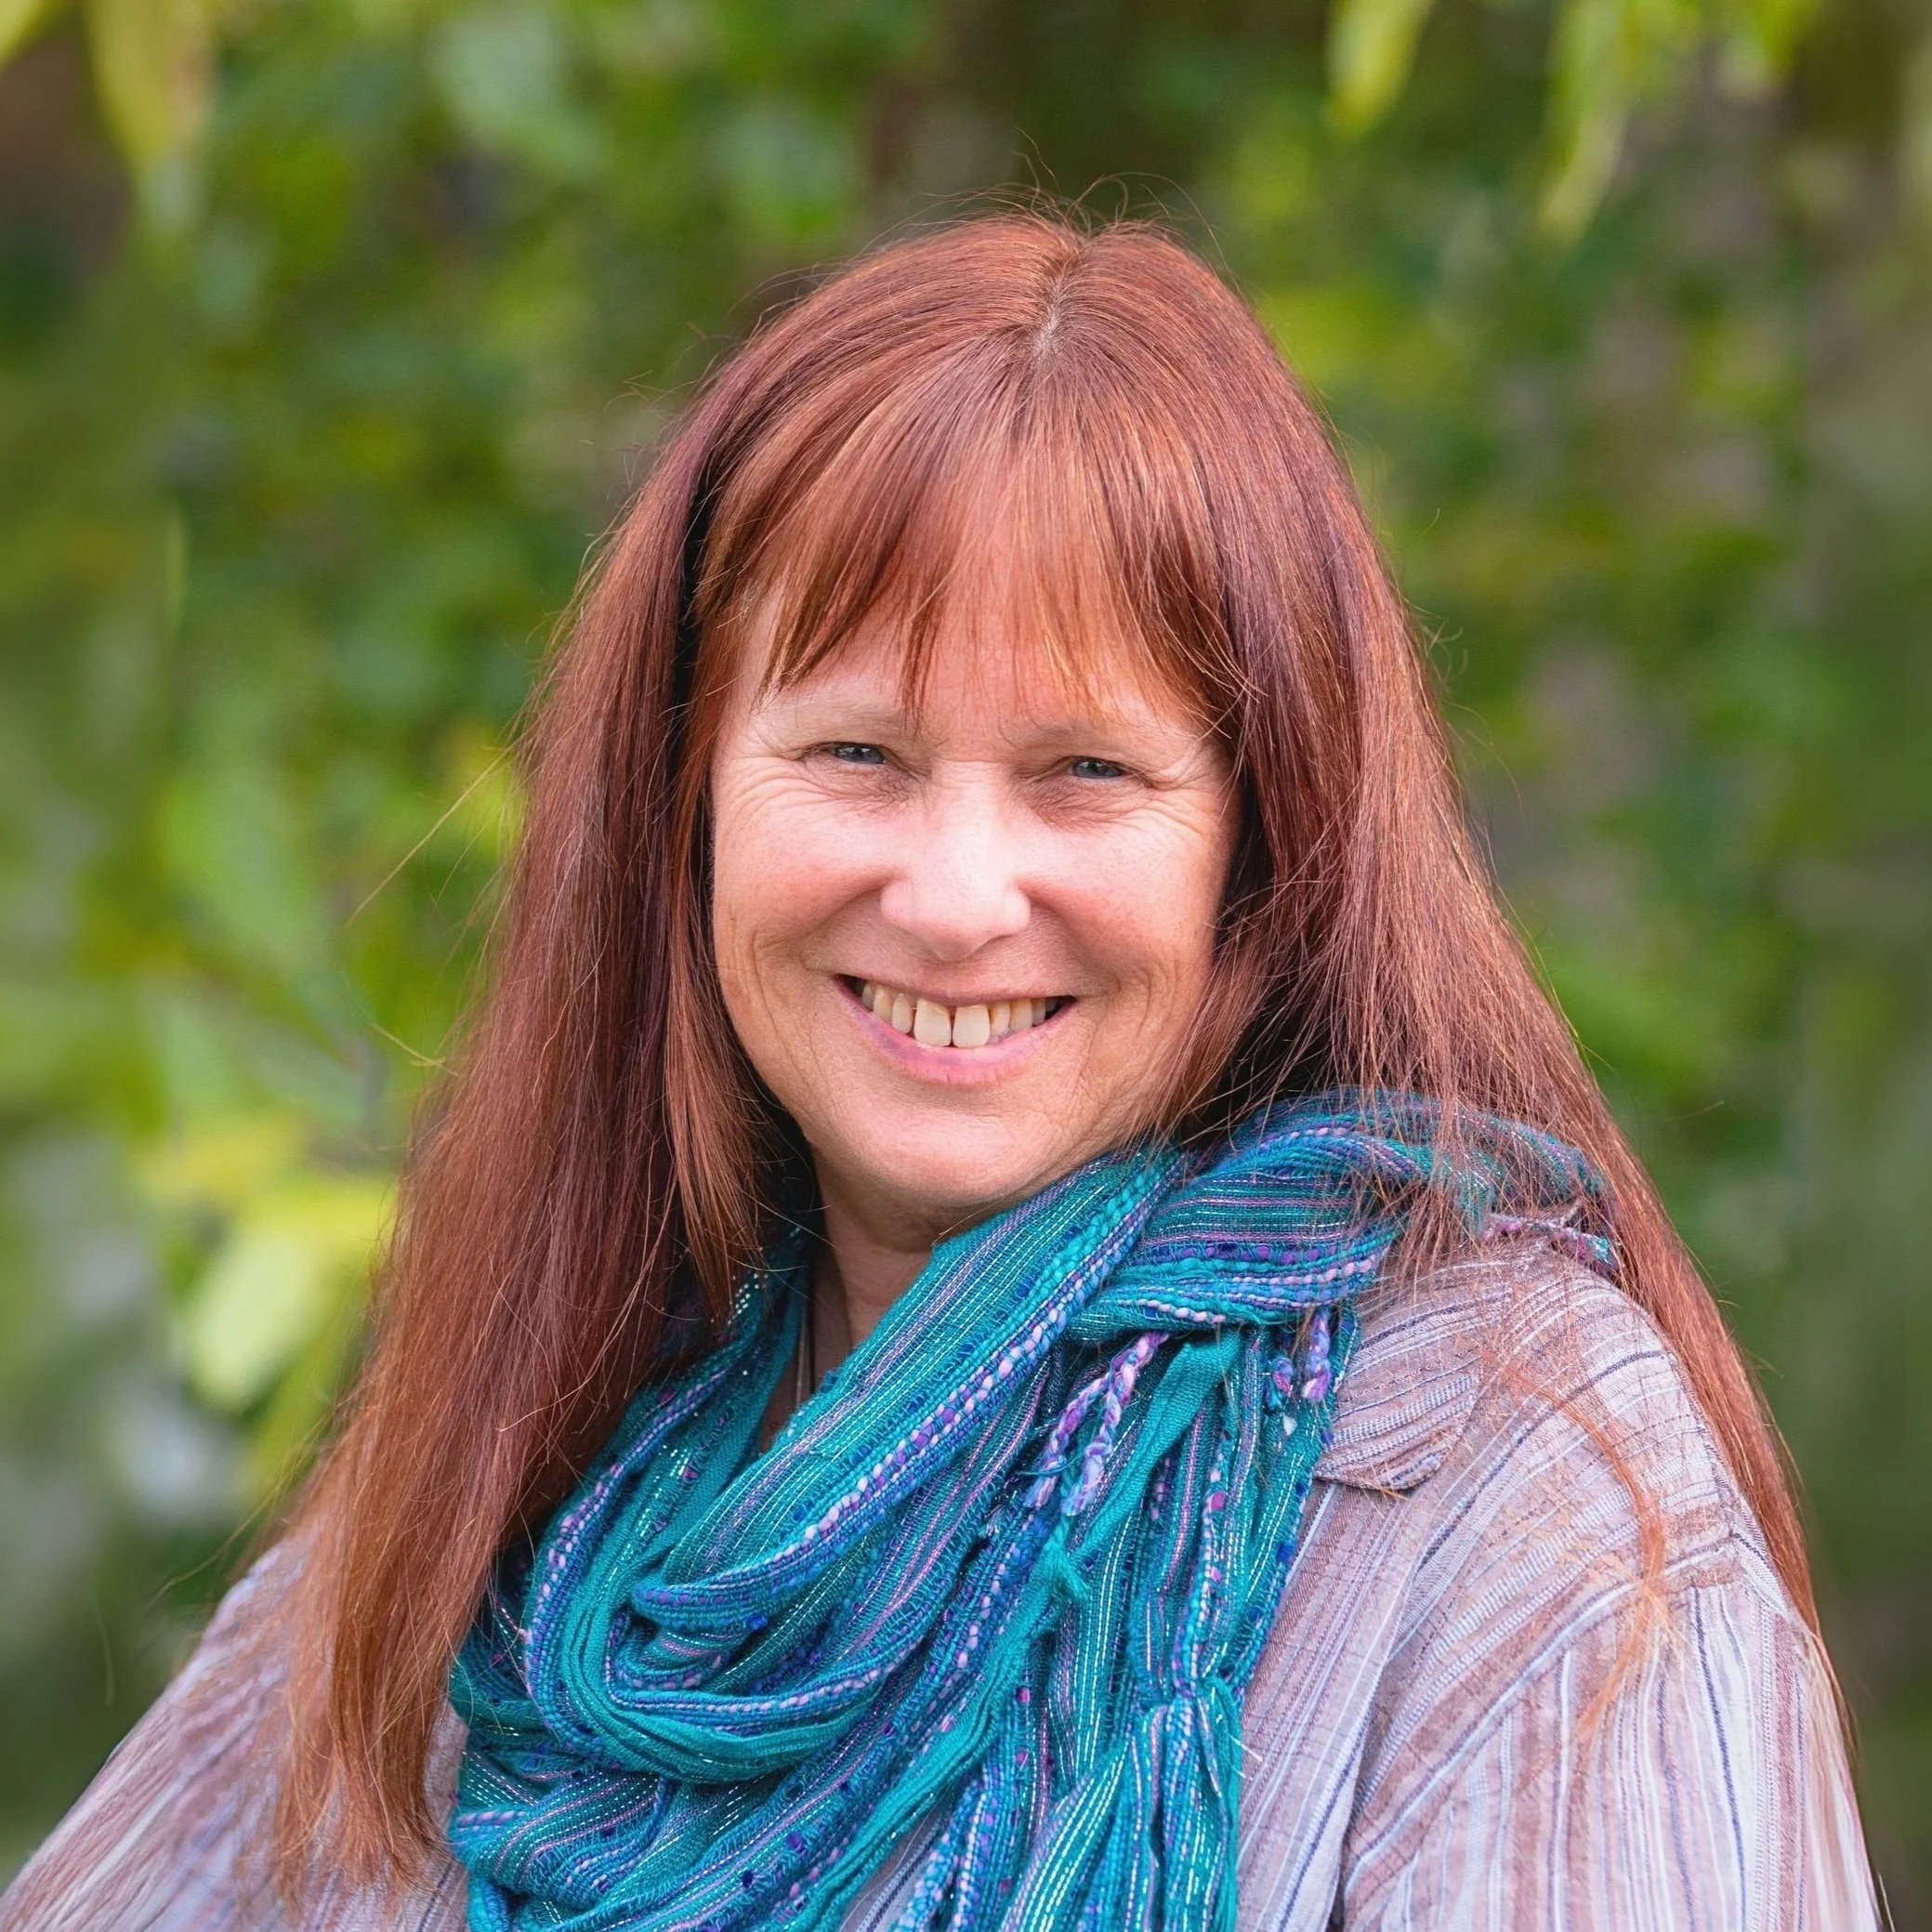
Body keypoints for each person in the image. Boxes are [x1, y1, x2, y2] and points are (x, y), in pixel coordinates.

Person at [0, 214, 1880, 1932]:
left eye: (1086, 773)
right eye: (857, 755)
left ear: (1261, 843)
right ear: (684, 798)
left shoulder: (1513, 1488)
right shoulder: (525, 1470)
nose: (958, 898)